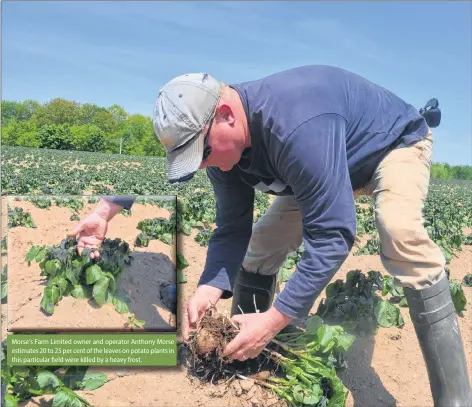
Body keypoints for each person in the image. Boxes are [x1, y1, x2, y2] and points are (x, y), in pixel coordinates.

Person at [152, 65, 471, 406]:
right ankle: (246, 358)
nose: (202, 166)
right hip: (326, 165)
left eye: (201, 153)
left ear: (227, 116)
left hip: (393, 145)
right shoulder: (222, 155)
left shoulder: (294, 124)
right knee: (262, 246)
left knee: (399, 232)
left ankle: (456, 398)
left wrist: (275, 319)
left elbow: (333, 234)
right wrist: (208, 287)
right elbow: (232, 227)